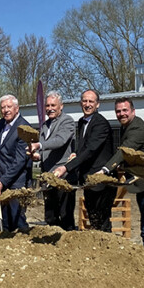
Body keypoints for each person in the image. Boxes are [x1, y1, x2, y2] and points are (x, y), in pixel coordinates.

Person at [102, 98, 144, 259]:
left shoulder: (136, 128)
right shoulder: (127, 127)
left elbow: (123, 151)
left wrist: (105, 169)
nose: (121, 114)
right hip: (143, 182)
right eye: (118, 111)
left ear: (133, 111)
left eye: (125, 110)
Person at [53, 90, 114, 232]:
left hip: (101, 179)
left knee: (102, 221)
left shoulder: (101, 124)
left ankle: (106, 251)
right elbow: (84, 147)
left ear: (97, 104)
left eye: (91, 102)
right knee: (93, 218)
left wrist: (66, 168)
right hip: (88, 179)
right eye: (85, 101)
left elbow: (91, 150)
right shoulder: (82, 122)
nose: (87, 105)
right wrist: (75, 153)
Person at [0, 95, 32, 233]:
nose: (6, 110)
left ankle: (25, 244)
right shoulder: (1, 124)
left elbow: (20, 161)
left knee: (17, 218)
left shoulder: (24, 128)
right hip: (2, 179)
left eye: (9, 107)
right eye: (3, 107)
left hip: (17, 181)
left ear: (17, 108)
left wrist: (3, 181)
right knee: (5, 219)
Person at [31, 91, 76, 230]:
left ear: (61, 106)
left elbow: (60, 141)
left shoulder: (67, 121)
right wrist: (37, 154)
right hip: (47, 175)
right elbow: (44, 148)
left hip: (63, 175)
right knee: (50, 215)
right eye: (47, 105)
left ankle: (67, 244)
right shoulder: (45, 125)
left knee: (65, 214)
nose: (50, 108)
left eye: (53, 105)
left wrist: (40, 145)